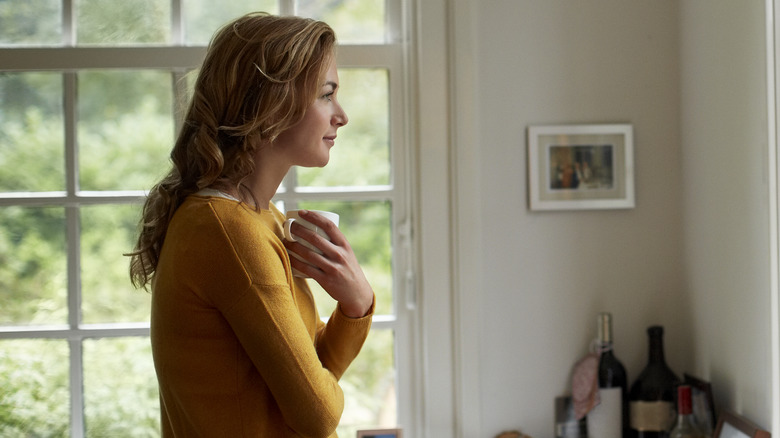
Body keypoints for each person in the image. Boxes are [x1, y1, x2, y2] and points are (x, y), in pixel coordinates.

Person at [127, 12, 375, 437]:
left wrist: (357, 304)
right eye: (326, 95)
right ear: (271, 104)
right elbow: (317, 413)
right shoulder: (229, 231)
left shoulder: (258, 218)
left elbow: (308, 371)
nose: (342, 116)